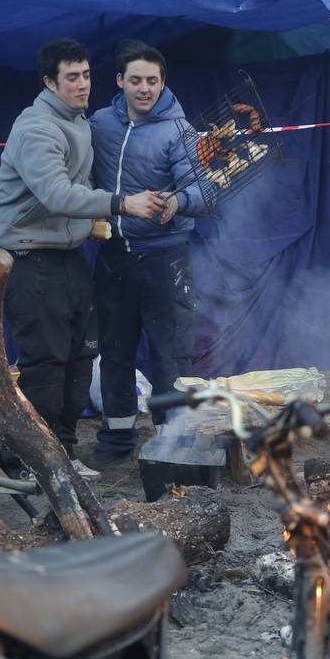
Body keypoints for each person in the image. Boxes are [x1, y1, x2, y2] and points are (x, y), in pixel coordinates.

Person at [0, 37, 165, 480]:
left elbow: (77, 187)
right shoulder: (37, 128)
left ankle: (63, 454)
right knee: (45, 365)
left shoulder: (78, 121)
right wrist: (121, 204)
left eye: (86, 75)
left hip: (66, 257)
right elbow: (56, 193)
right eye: (72, 78)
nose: (82, 85)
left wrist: (92, 224)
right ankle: (29, 462)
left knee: (79, 359)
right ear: (50, 82)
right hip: (27, 259)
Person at [89, 41, 205, 458]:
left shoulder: (180, 130)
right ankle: (117, 438)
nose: (144, 88)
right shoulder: (99, 123)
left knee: (170, 354)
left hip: (166, 257)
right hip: (115, 255)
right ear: (120, 81)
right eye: (135, 80)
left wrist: (178, 202)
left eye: (152, 81)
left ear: (162, 83)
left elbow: (204, 189)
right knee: (115, 348)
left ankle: (173, 442)